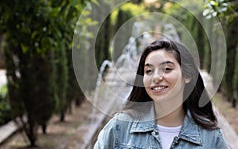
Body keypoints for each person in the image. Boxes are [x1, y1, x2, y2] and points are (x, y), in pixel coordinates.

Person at [94, 38, 228, 149]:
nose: (156, 77)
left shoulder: (212, 138)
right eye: (149, 71)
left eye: (167, 69)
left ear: (187, 75)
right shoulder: (119, 128)